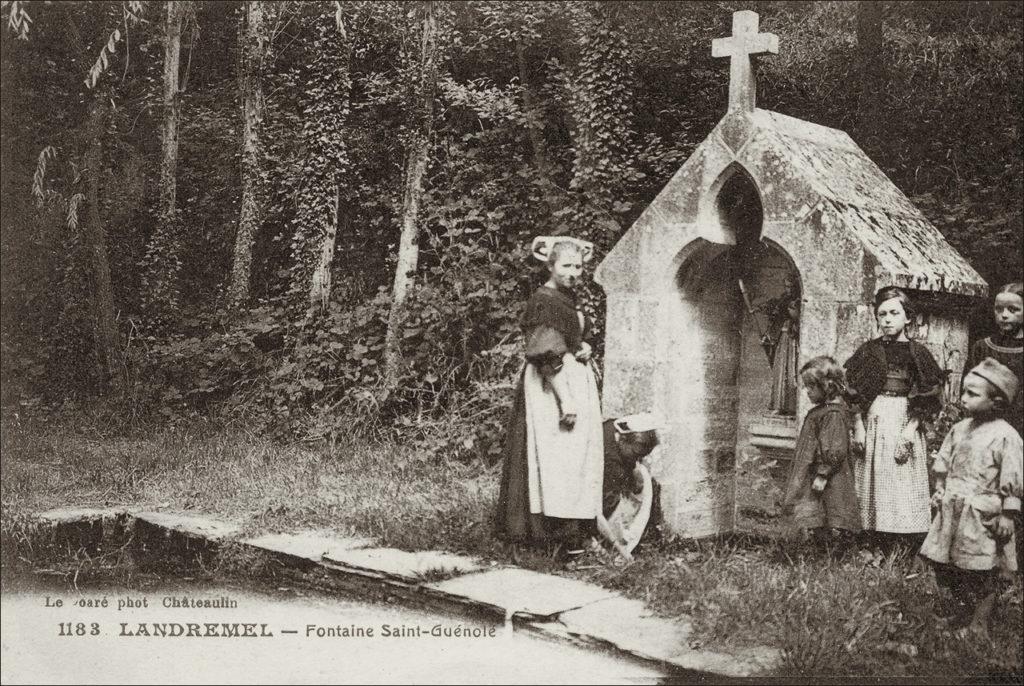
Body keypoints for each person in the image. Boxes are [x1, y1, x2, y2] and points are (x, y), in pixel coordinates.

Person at [494, 236, 604, 559]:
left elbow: (576, 337)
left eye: (579, 267)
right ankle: (543, 535)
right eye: (567, 266)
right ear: (551, 266)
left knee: (572, 460)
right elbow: (545, 352)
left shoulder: (568, 299)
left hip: (571, 378)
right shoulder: (544, 300)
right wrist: (565, 400)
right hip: (550, 386)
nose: (574, 273)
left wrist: (585, 346)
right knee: (551, 457)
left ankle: (570, 533)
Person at [919, 358, 1022, 639]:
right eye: (963, 392)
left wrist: (1008, 514)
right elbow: (943, 462)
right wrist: (940, 488)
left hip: (982, 514)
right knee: (951, 568)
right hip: (954, 508)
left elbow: (1013, 478)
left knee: (980, 571)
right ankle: (962, 613)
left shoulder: (1006, 436)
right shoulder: (960, 429)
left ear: (997, 402)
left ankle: (979, 625)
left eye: (972, 394)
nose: (963, 399)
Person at [844, 287, 944, 542]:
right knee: (873, 476)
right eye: (882, 314)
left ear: (907, 317)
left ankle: (903, 540)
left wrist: (910, 430)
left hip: (904, 418)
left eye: (894, 313)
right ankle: (872, 538)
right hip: (875, 417)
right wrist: (858, 425)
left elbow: (929, 392)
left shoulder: (918, 352)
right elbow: (853, 390)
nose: (887, 319)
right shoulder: (868, 350)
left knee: (901, 477)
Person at [781, 356, 860, 551]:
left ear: (828, 386)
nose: (807, 391)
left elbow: (834, 448)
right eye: (806, 386)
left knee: (831, 510)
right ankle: (818, 547)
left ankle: (834, 551)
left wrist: (823, 474)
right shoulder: (821, 411)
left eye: (811, 387)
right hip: (814, 470)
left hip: (828, 476)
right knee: (817, 513)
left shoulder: (832, 414)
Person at [599, 413, 664, 557]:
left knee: (644, 478)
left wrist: (634, 467)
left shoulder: (616, 428)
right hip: (599, 500)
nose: (638, 459)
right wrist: (619, 547)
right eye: (636, 454)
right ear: (623, 440)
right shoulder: (611, 462)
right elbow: (598, 509)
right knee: (613, 504)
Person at [965, 282, 1022, 438]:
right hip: (986, 427)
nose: (1004, 315)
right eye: (999, 309)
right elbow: (969, 389)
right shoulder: (982, 348)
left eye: (1013, 310)